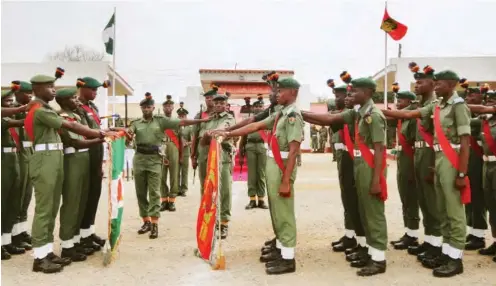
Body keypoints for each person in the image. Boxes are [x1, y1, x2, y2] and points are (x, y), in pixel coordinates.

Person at [381, 70, 471, 277]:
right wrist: (384, 112)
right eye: (435, 83)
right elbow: (408, 114)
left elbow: (465, 141)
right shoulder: (438, 106)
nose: (436, 86)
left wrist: (461, 174)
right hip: (439, 159)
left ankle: (456, 259)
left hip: (452, 159)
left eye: (440, 84)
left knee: (454, 212)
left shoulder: (458, 106)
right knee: (442, 210)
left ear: (451, 85)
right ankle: (446, 253)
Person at [26, 71, 117, 273]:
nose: (53, 89)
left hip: (53, 160)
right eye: (49, 86)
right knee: (45, 209)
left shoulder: (45, 109)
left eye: (53, 85)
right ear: (37, 90)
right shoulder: (41, 110)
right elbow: (71, 126)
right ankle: (40, 257)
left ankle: (46, 251)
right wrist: (102, 134)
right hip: (45, 161)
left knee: (50, 209)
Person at [212, 77, 303, 275]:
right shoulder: (280, 113)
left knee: (284, 211)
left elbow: (294, 150)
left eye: (281, 91)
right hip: (273, 164)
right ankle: (281, 247)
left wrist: (286, 180)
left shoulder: (293, 115)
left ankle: (288, 259)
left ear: (293, 93)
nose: (277, 94)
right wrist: (227, 133)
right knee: (277, 209)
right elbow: (255, 125)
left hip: (282, 167)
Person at [301, 77, 388, 277]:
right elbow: (329, 119)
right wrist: (300, 113)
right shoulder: (358, 112)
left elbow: (380, 149)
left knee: (373, 213)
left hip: (369, 167)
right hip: (359, 165)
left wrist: (376, 180)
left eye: (355, 91)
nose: (351, 95)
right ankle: (370, 252)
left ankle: (379, 259)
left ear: (367, 92)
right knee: (364, 211)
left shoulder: (373, 115)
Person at [128, 93, 208, 239]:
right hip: (139, 160)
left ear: (153, 107)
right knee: (140, 193)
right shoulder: (135, 123)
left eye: (148, 107)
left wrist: (202, 120)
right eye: (144, 107)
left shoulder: (161, 121)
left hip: (154, 160)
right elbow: (129, 132)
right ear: (141, 108)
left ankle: (154, 224)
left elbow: (182, 123)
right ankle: (145, 221)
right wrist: (126, 134)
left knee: (154, 192)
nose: (146, 109)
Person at [55, 87, 105, 262]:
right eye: (73, 99)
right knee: (72, 203)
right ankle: (67, 245)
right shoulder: (62, 117)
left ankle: (76, 241)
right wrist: (100, 138)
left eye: (77, 98)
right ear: (63, 101)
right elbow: (73, 141)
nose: (77, 101)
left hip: (83, 160)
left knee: (81, 202)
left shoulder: (75, 116)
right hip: (72, 160)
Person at [401, 63, 444, 263]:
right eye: (415, 82)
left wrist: (435, 165)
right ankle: (429, 240)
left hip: (430, 155)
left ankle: (438, 245)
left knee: (433, 202)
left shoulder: (435, 105)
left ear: (433, 84)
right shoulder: (422, 105)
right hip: (419, 154)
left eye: (420, 82)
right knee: (424, 201)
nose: (416, 85)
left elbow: (439, 136)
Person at [325, 79, 359, 252]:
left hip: (352, 159)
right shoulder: (340, 112)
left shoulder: (351, 113)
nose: (336, 99)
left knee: (353, 199)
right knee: (346, 198)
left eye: (338, 95)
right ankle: (349, 234)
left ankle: (357, 238)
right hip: (342, 159)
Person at [76, 77, 108, 251]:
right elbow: (86, 133)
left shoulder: (92, 107)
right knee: (85, 196)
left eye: (97, 90)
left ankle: (89, 231)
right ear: (83, 89)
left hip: (96, 152)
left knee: (94, 195)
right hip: (86, 153)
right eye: (93, 90)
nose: (95, 93)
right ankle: (81, 236)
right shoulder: (78, 108)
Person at [390, 86, 421, 250]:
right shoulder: (402, 119)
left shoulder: (413, 118)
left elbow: (416, 142)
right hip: (402, 160)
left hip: (410, 160)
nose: (397, 103)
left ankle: (413, 234)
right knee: (405, 197)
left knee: (411, 196)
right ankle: (409, 232)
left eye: (400, 100)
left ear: (410, 102)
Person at [201, 94, 236, 238]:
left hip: (222, 158)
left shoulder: (229, 118)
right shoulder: (207, 120)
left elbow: (224, 130)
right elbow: (200, 139)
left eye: (222, 103)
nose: (219, 105)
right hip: (206, 158)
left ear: (226, 105)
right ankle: (210, 220)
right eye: (216, 103)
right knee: (207, 190)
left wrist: (211, 134)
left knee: (224, 191)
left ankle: (224, 223)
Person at [461, 81, 487, 250]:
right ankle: (472, 231)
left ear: (481, 97)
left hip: (479, 160)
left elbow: (470, 124)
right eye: (467, 96)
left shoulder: (484, 116)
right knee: (469, 198)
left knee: (478, 198)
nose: (469, 98)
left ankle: (479, 235)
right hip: (469, 160)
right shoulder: (469, 114)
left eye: (472, 95)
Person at [1, 88, 26, 260]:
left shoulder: (8, 117)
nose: (10, 103)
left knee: (12, 202)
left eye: (11, 101)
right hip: (3, 160)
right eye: (6, 101)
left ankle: (6, 240)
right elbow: (16, 123)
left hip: (13, 158)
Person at [472, 90, 496, 262]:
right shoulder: (484, 121)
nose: (490, 104)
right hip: (487, 165)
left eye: (493, 101)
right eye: (488, 101)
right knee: (491, 204)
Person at [10, 81, 34, 251]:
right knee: (17, 197)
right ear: (18, 94)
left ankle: (21, 230)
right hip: (17, 155)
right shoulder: (14, 110)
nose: (30, 96)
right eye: (27, 93)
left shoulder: (27, 109)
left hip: (29, 153)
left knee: (26, 196)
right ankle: (13, 234)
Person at [239, 97, 268, 210]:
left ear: (263, 108)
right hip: (250, 146)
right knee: (251, 174)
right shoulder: (250, 120)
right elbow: (243, 136)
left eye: (260, 106)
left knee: (261, 174)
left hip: (262, 146)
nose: (258, 108)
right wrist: (241, 150)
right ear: (253, 108)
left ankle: (261, 199)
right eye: (256, 106)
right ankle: (252, 199)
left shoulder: (267, 120)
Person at [191, 86, 215, 194]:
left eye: (211, 97)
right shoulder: (200, 115)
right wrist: (193, 156)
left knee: (216, 179)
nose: (209, 100)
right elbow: (195, 137)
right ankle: (205, 207)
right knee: (204, 180)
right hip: (202, 150)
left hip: (216, 147)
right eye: (207, 98)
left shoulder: (221, 114)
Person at [160, 95, 182, 212]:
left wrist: (181, 155)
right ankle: (164, 200)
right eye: (166, 106)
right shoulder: (158, 121)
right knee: (161, 175)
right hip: (161, 148)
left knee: (174, 175)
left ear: (173, 107)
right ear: (163, 108)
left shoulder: (177, 121)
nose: (168, 108)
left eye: (170, 106)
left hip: (174, 148)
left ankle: (172, 200)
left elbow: (180, 139)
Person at [177, 107, 192, 197]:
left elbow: (192, 140)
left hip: (185, 152)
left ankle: (183, 189)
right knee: (176, 171)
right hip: (176, 151)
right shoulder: (175, 127)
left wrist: (187, 143)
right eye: (180, 116)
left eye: (183, 116)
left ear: (186, 117)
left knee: (184, 171)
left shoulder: (189, 128)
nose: (182, 118)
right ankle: (176, 188)